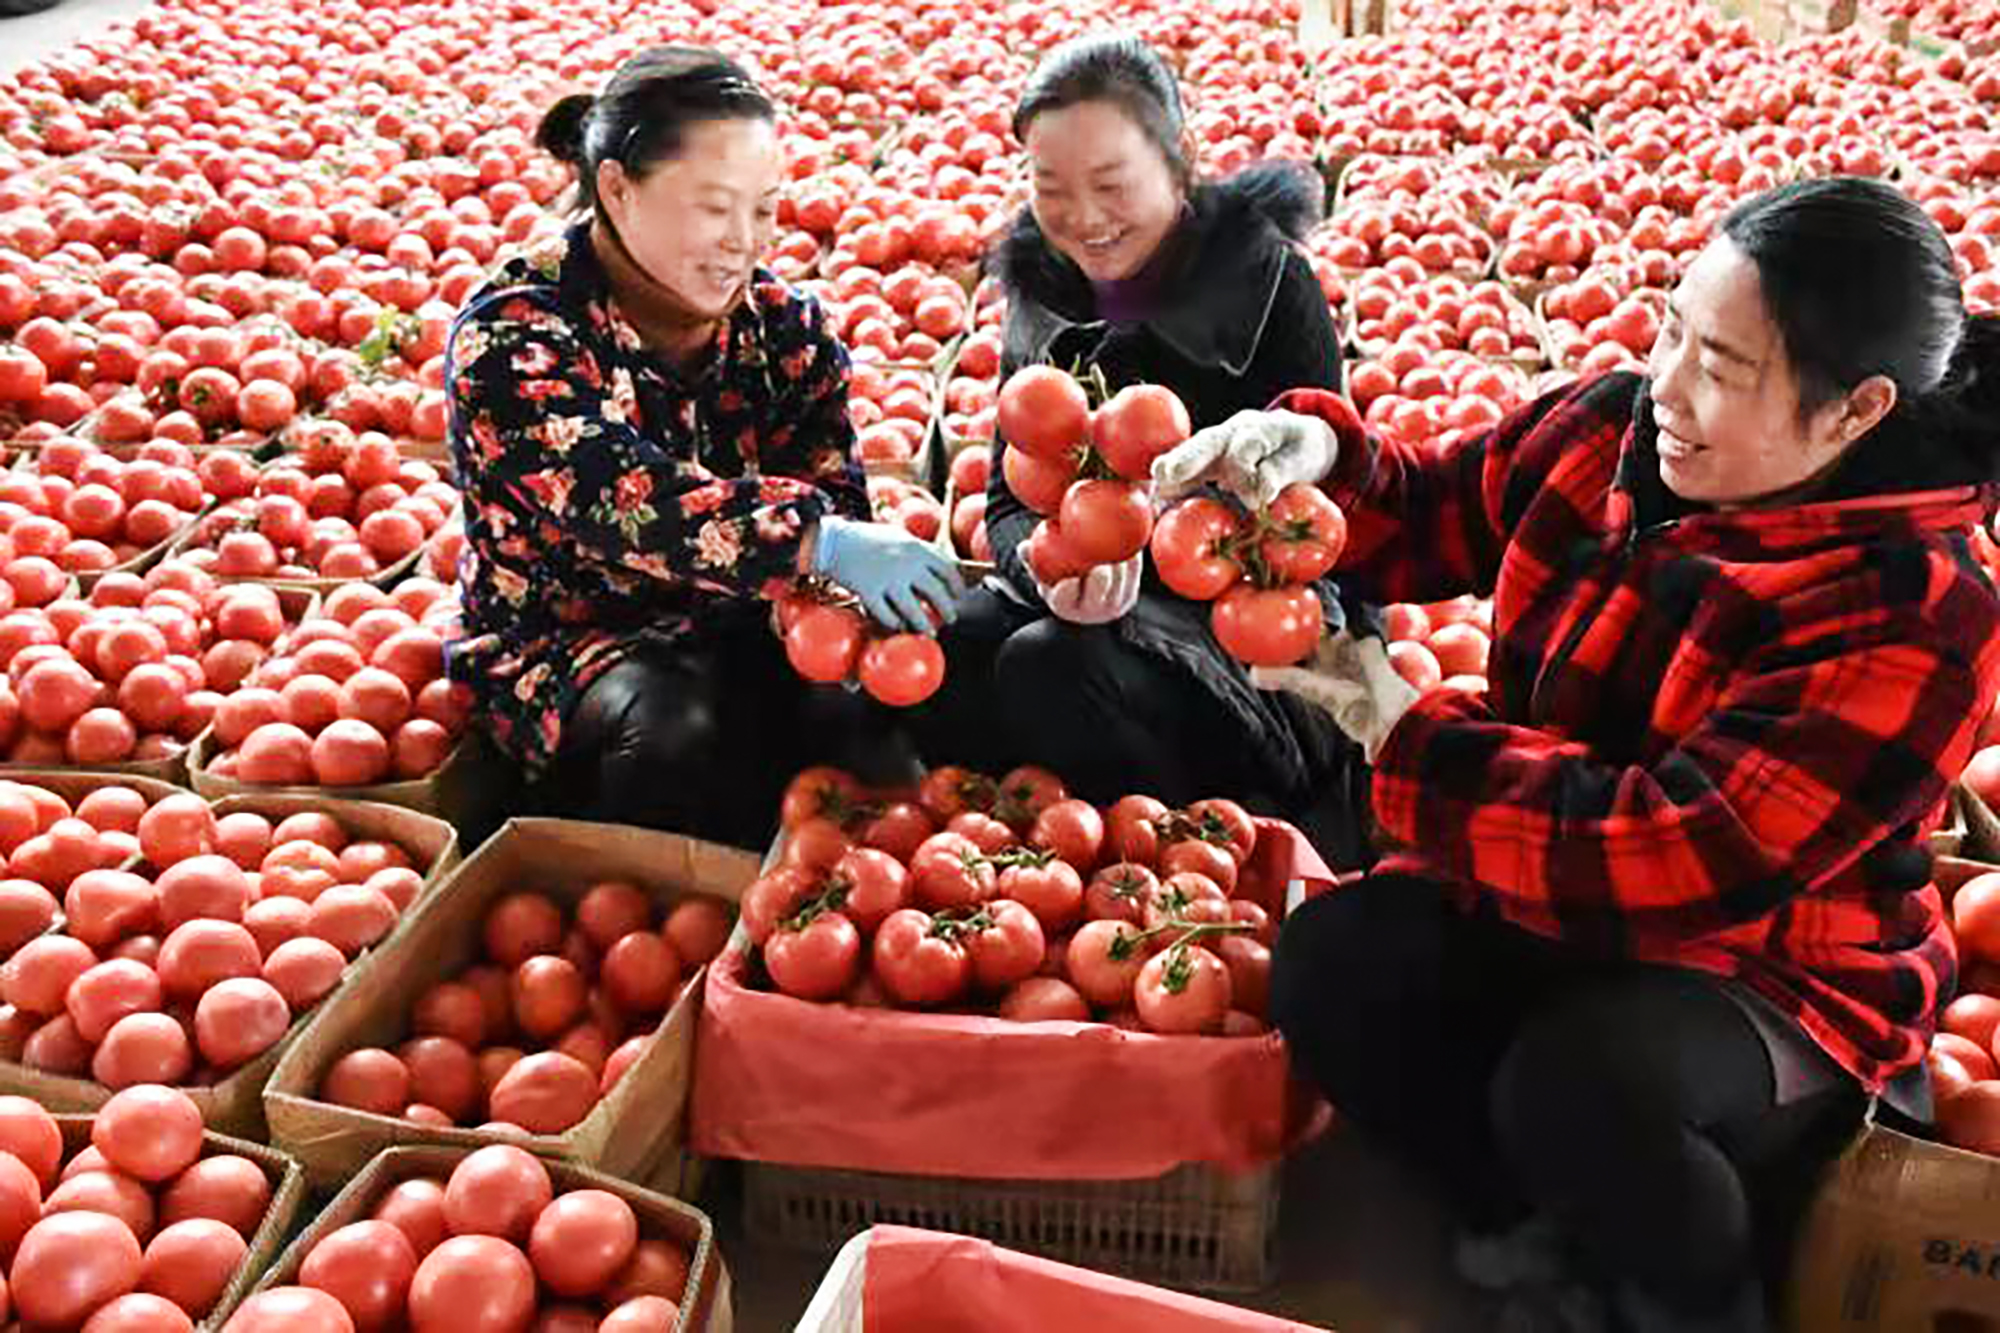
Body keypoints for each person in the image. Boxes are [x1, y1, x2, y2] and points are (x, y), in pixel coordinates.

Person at [1155, 175, 2000, 1331]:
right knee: (1336, 960)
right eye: (1672, 332)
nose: (1668, 383)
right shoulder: (1613, 427)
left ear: (1853, 412)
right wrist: (1320, 463)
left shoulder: (1917, 606)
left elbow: (1682, 852)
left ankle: (1696, 1300)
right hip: (1549, 872)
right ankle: (1526, 1233)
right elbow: (1440, 506)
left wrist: (1407, 735)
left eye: (1723, 366)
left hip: (1765, 967)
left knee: (1584, 1083)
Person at [444, 46, 966, 849]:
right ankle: (643, 891)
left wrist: (854, 594)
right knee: (673, 730)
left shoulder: (786, 331)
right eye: (714, 208)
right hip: (572, 641)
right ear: (617, 187)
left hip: (746, 615)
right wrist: (813, 539)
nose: (744, 241)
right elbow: (613, 498)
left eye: (763, 210)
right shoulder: (515, 335)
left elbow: (832, 486)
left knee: (874, 707)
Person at [912, 32, 1363, 845]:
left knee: (1050, 668)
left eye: (1111, 183)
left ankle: (1205, 844)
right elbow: (1009, 499)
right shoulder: (1043, 293)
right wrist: (1046, 567)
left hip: (1248, 640)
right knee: (936, 651)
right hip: (1091, 610)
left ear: (1180, 158)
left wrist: (1160, 542)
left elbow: (1319, 526)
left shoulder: (1270, 287)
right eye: (1051, 187)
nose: (1082, 218)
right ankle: (1054, 843)